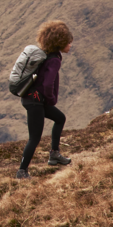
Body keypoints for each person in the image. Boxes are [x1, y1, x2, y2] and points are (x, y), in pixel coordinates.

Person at [18, 20, 72, 178]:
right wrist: (51, 100)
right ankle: (22, 171)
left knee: (60, 118)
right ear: (60, 42)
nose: (70, 45)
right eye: (68, 42)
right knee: (34, 138)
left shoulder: (47, 55)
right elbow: (48, 83)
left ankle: (54, 154)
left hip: (33, 99)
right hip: (36, 102)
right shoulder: (54, 60)